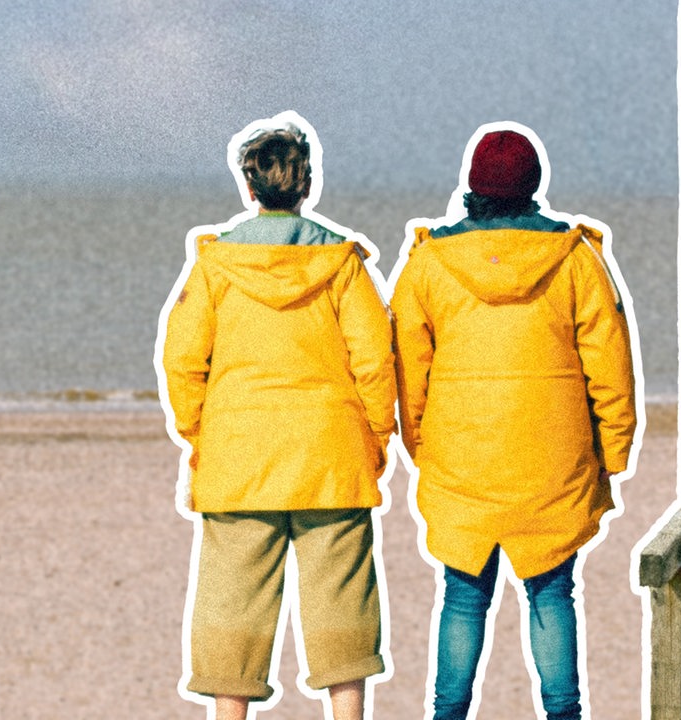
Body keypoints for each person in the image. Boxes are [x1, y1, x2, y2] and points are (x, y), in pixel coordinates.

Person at [389, 125, 637, 720]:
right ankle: (564, 714)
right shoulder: (576, 260)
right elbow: (611, 366)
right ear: (534, 186)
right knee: (552, 593)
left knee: (462, 596)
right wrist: (615, 452)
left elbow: (406, 372)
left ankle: (447, 715)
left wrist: (421, 446)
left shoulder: (430, 263)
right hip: (553, 458)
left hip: (463, 455)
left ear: (472, 186)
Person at [158, 115, 396, 720]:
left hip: (239, 450)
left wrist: (198, 433)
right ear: (307, 183)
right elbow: (374, 361)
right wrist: (375, 437)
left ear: (249, 186)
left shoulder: (215, 264)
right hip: (330, 448)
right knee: (342, 598)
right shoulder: (343, 262)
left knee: (233, 600)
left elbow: (182, 360)